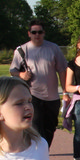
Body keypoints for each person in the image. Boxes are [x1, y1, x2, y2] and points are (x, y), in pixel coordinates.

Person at [9, 20, 67, 150]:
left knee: (50, 128)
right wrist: (21, 75)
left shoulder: (53, 48)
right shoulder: (21, 50)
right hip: (32, 95)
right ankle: (39, 154)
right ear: (29, 33)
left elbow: (62, 70)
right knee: (36, 128)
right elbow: (13, 71)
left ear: (44, 33)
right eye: (34, 32)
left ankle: (44, 151)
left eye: (40, 32)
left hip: (52, 97)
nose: (37, 35)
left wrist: (65, 92)